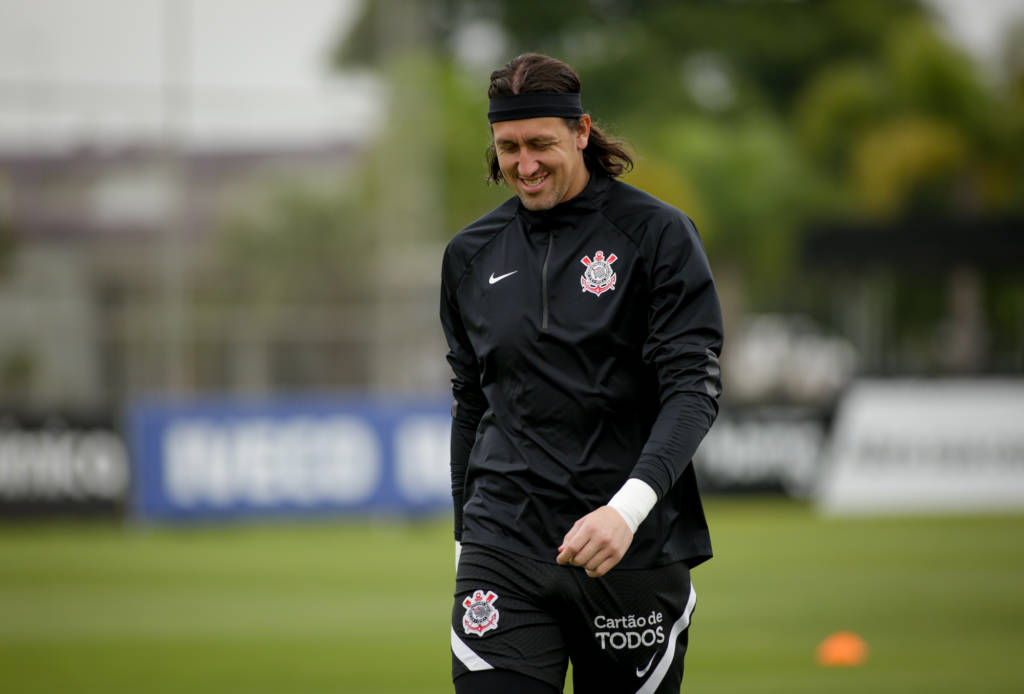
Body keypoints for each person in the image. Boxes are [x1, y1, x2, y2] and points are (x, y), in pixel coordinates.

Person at [440, 53, 723, 694]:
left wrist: (625, 511)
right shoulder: (469, 256)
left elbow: (693, 390)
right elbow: (471, 403)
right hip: (503, 545)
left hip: (629, 549)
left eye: (540, 144)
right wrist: (465, 542)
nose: (524, 165)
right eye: (508, 147)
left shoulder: (657, 235)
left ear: (582, 131)